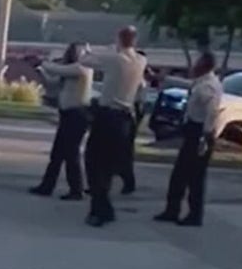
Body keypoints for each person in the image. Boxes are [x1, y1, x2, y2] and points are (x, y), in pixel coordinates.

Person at [79, 26, 148, 227]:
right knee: (108, 166)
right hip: (125, 117)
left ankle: (101, 209)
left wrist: (96, 49)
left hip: (107, 116)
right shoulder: (141, 61)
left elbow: (85, 61)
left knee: (93, 162)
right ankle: (100, 208)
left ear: (119, 38)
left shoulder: (115, 58)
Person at [154, 51, 221, 227]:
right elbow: (189, 84)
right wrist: (164, 78)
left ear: (204, 66)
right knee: (180, 175)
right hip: (193, 130)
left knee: (195, 177)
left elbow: (212, 112)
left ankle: (194, 215)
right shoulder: (203, 82)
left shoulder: (208, 87)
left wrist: (205, 136)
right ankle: (172, 210)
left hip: (199, 133)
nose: (193, 66)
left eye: (197, 62)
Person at [30, 42, 93, 200]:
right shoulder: (71, 70)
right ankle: (47, 186)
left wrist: (41, 62)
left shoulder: (82, 69)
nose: (76, 54)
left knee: (71, 154)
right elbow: (52, 82)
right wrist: (39, 69)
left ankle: (76, 190)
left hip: (77, 114)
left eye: (79, 52)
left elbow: (57, 69)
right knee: (57, 153)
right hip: (68, 114)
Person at [117, 51, 151, 194]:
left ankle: (128, 181)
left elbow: (136, 100)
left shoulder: (140, 80)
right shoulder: (137, 78)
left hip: (132, 112)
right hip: (130, 111)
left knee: (124, 150)